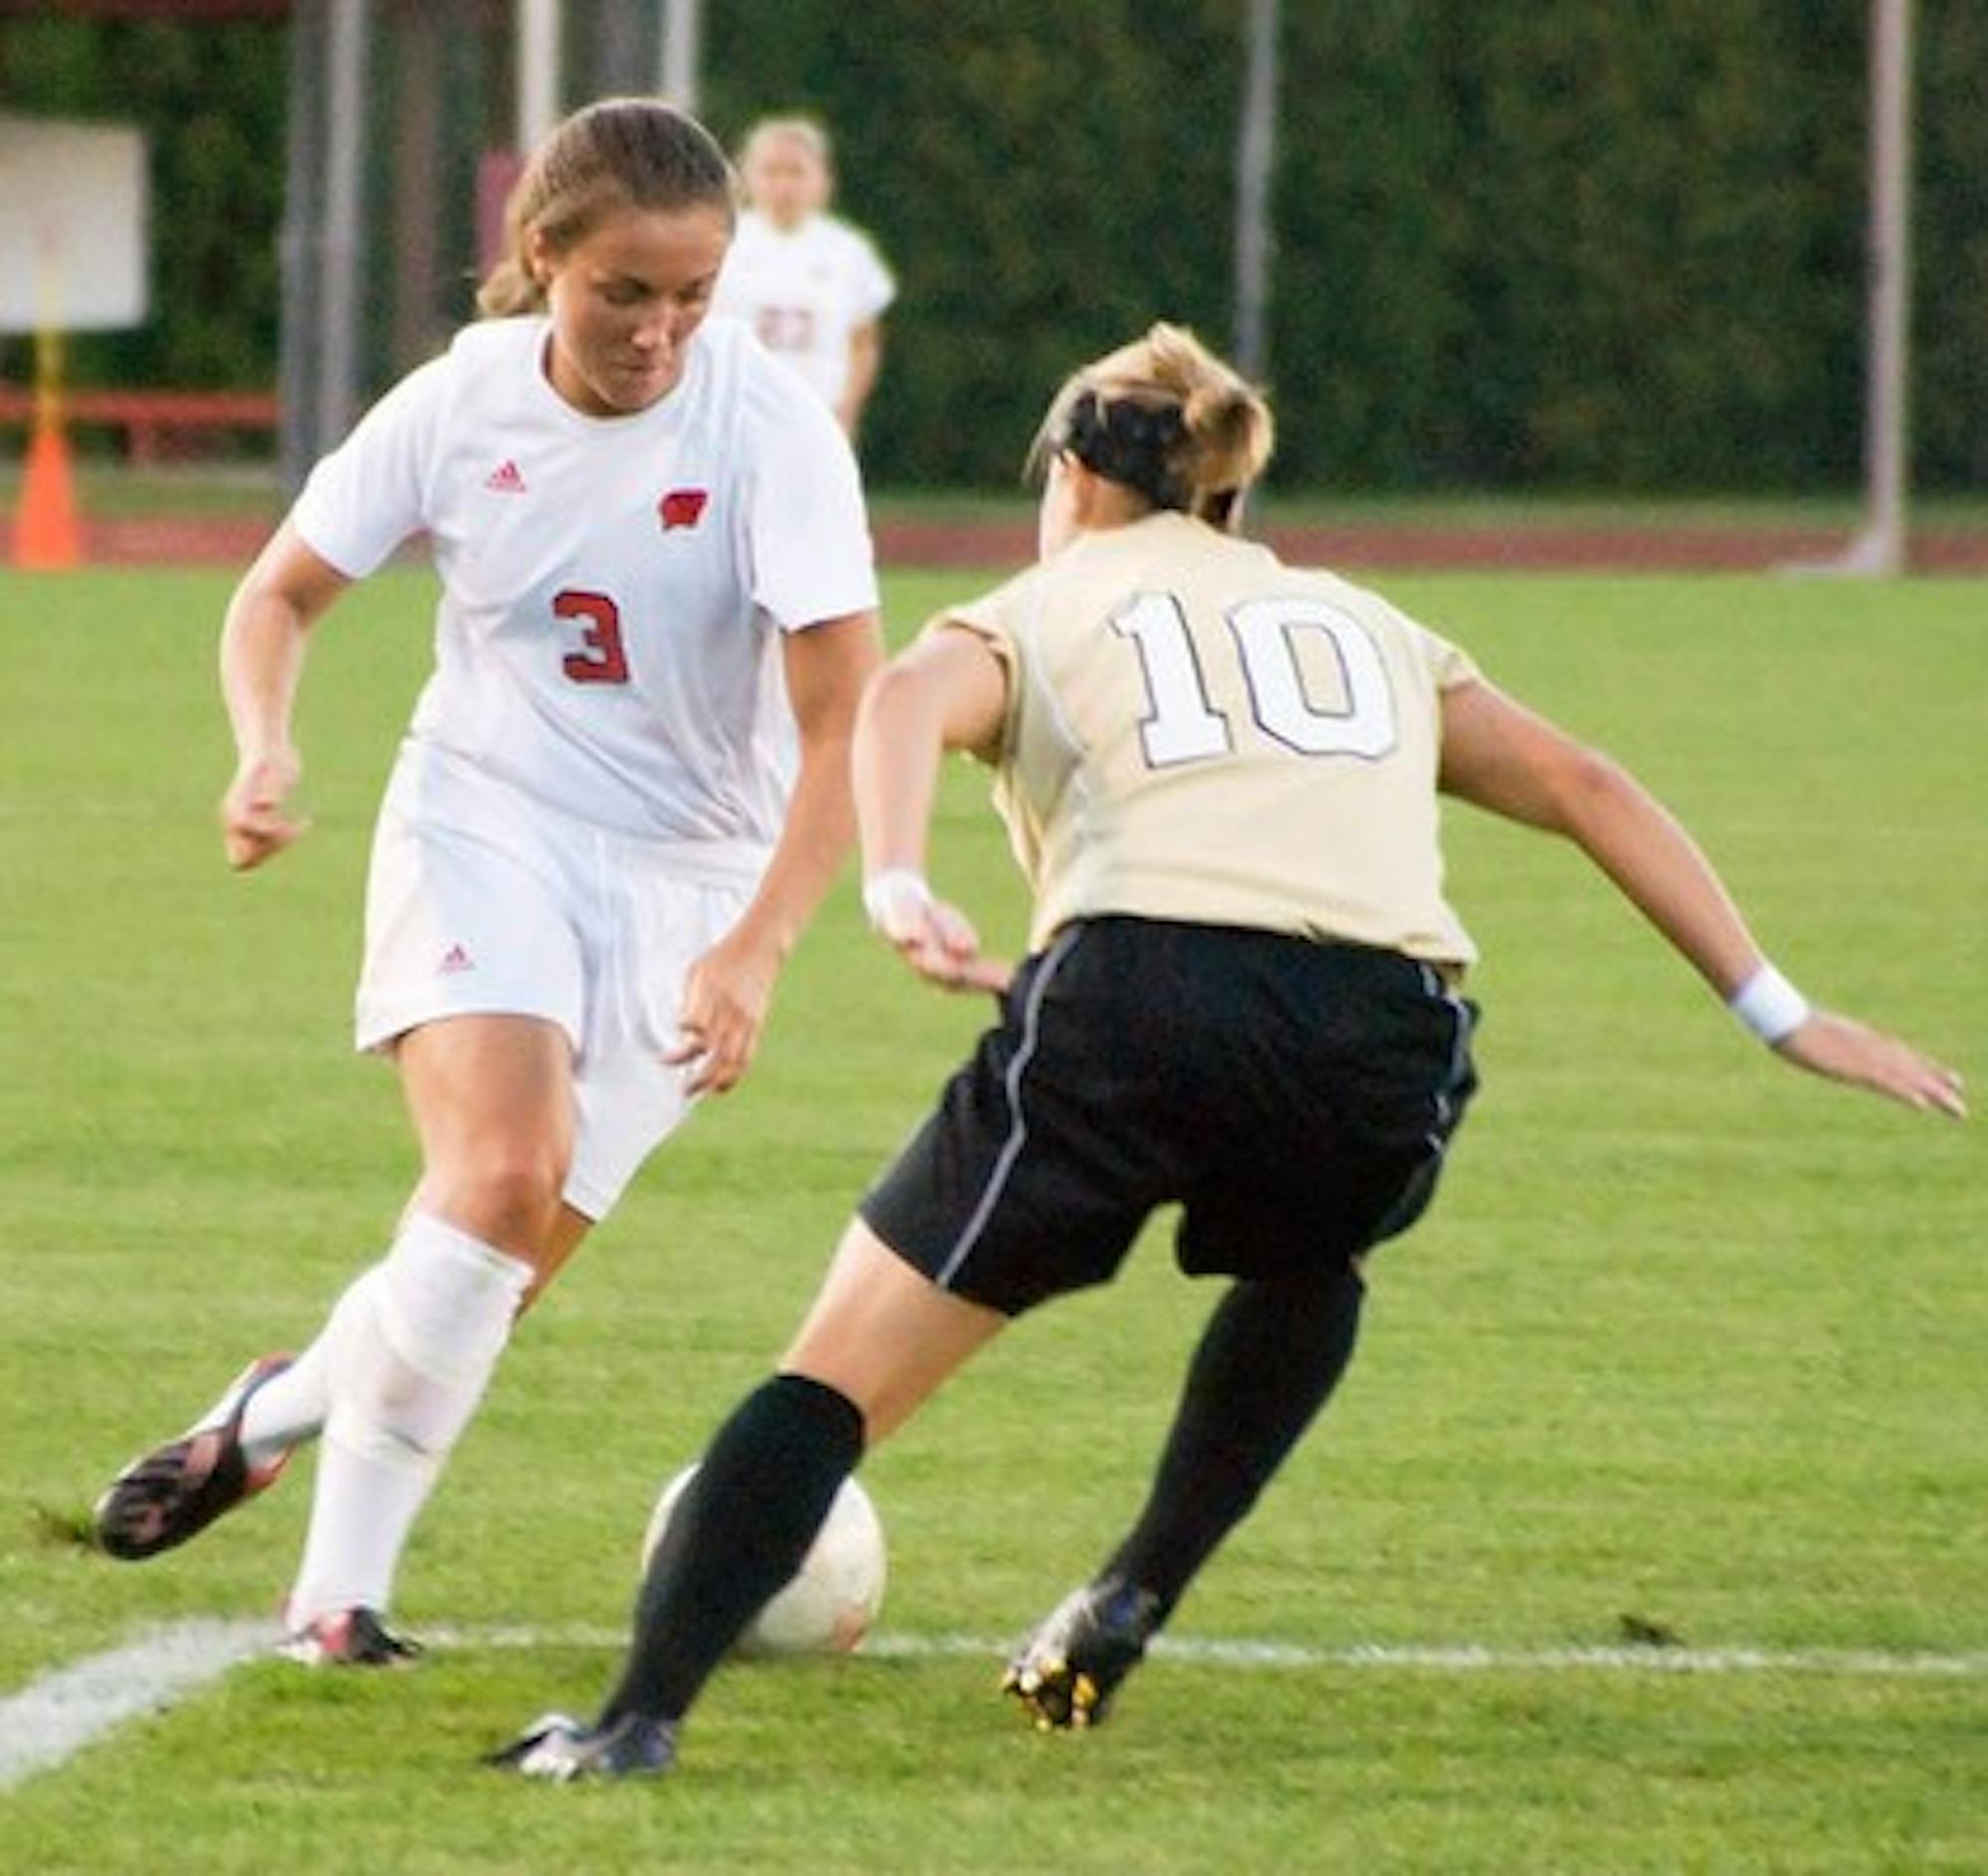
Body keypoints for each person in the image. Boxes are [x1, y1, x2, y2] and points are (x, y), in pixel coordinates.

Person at [489, 324, 1965, 1780]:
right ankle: (1131, 1591)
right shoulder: (1366, 624)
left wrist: (894, 881)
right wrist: (1780, 1011)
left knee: (837, 1373)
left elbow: (899, 699)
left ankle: (633, 1721)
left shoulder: (1042, 606)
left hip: (1143, 991)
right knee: (1310, 1261)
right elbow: (1584, 784)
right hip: (1385, 1021)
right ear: (1221, 491)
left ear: (1072, 475)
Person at [89, 97, 884, 1666]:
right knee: (504, 1172)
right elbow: (278, 595)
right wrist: (264, 745)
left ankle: (275, 1407)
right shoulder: (459, 403)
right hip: (488, 814)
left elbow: (843, 716)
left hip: (693, 873)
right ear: (542, 256)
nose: (660, 331)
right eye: (623, 292)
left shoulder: (771, 427)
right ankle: (337, 1600)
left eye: (693, 295)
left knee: (483, 1271)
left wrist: (758, 944)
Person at [711, 116, 896, 438]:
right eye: (771, 172)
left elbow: (863, 341)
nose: (784, 185)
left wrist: (848, 410)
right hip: (738, 418)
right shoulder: (720, 243)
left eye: (796, 172)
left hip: (819, 418)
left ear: (823, 179)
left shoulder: (849, 251)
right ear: (746, 177)